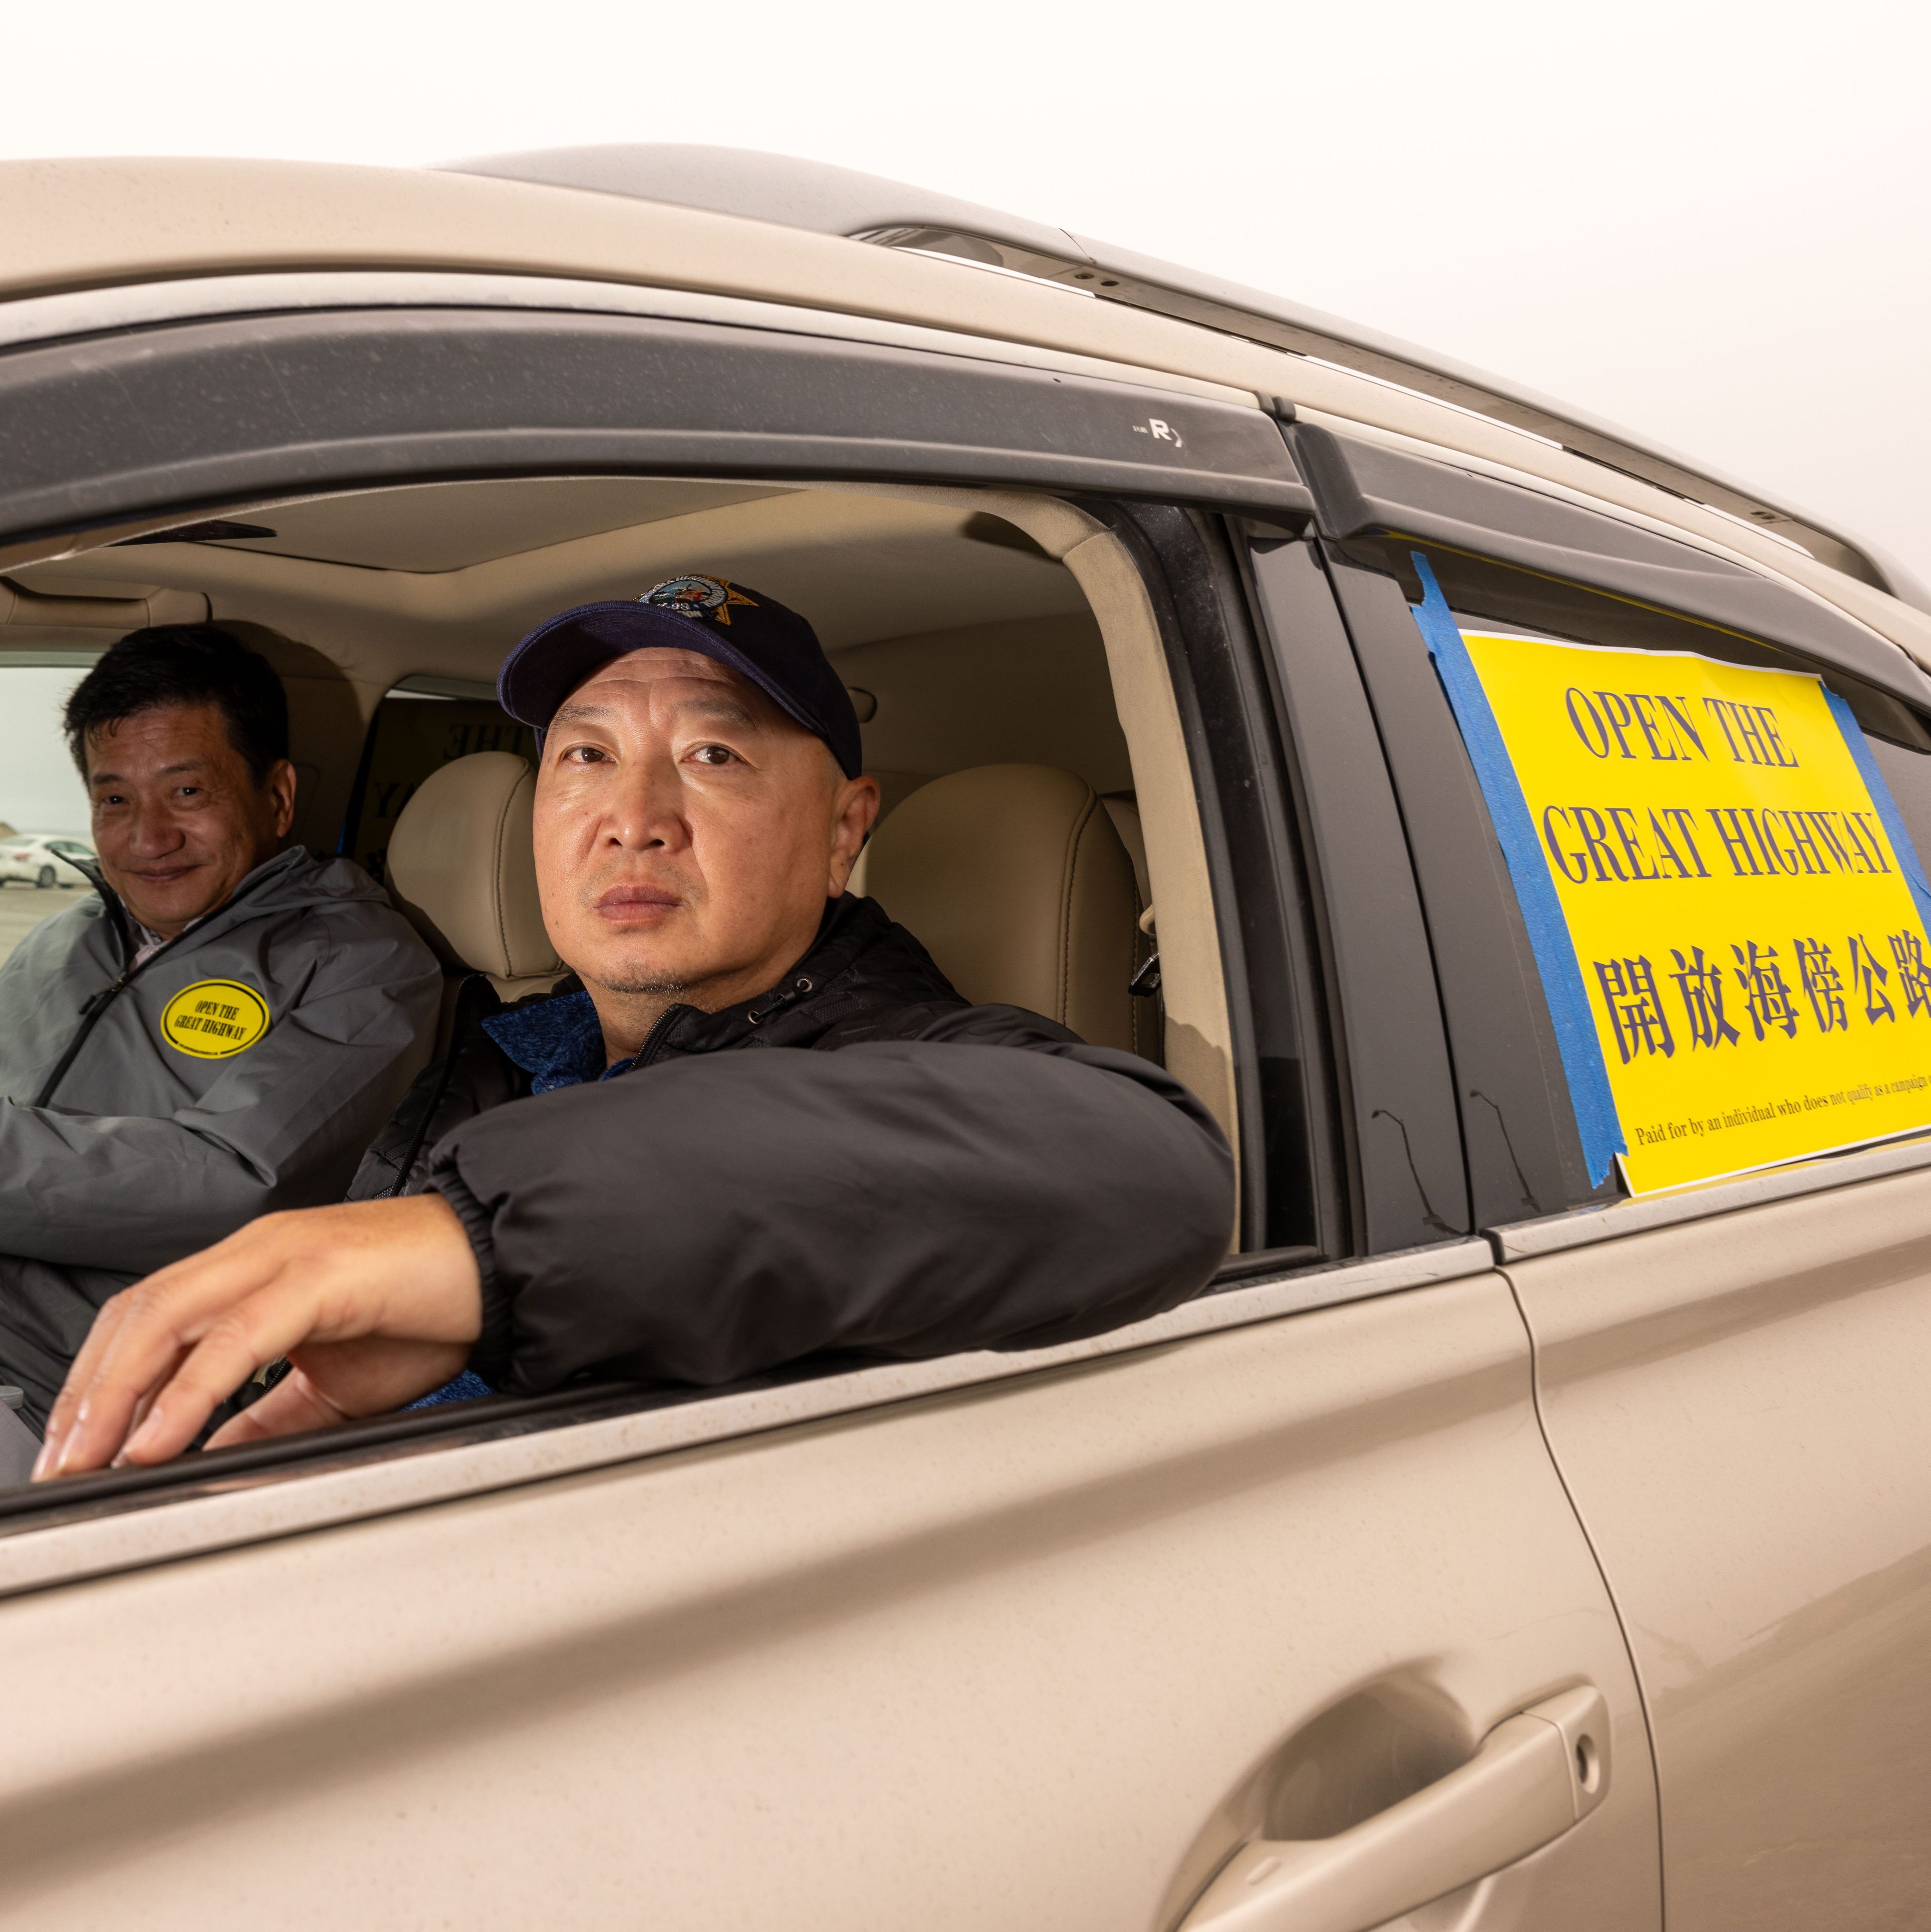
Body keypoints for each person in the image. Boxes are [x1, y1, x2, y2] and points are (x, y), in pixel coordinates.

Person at [36, 577, 1235, 1479]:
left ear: (843, 829)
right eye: (586, 756)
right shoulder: (498, 1049)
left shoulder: (908, 1061)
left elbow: (1153, 1162)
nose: (633, 816)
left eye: (712, 754)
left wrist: (489, 1247)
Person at [0, 625, 440, 1437]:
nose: (147, 837)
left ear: (276, 798)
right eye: (114, 799)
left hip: (92, 1393)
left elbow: (238, 1185)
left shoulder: (364, 964)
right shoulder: (61, 940)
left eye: (187, 792)